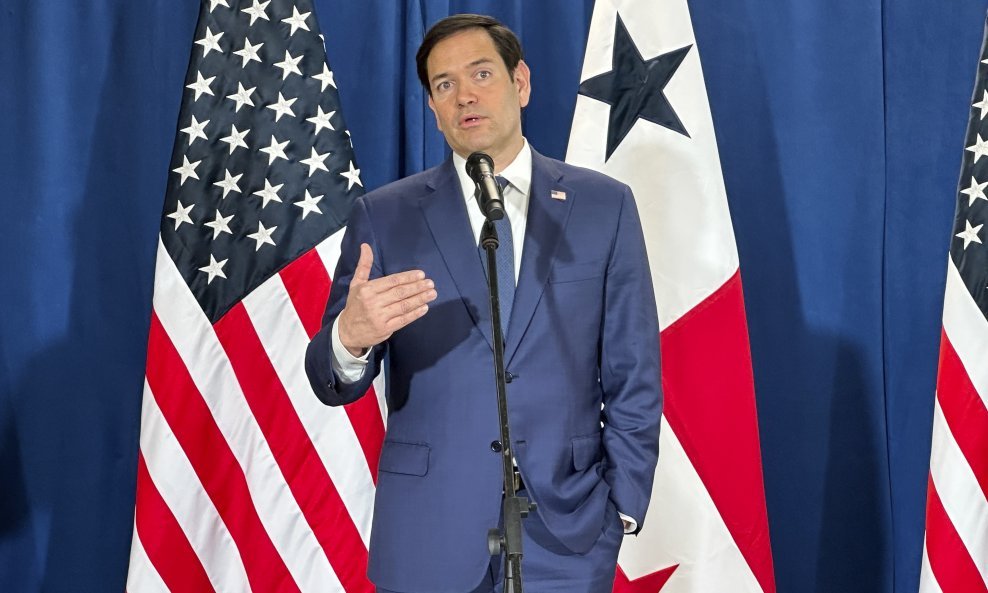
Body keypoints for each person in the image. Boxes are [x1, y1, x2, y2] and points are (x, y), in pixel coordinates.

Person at [305, 13, 661, 593]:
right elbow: (329, 380)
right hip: (429, 532)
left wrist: (621, 507)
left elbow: (634, 371)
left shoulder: (604, 206)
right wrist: (350, 339)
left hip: (568, 535)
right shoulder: (385, 215)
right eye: (444, 84)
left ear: (520, 82)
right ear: (432, 106)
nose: (464, 95)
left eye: (481, 74)